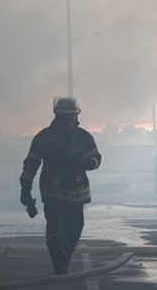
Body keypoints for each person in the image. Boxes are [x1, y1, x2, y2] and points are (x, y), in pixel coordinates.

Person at [20, 97, 102, 274]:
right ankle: (61, 258)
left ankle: (61, 257)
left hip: (63, 192)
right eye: (67, 117)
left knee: (63, 228)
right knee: (64, 228)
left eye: (70, 117)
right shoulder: (79, 136)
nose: (69, 121)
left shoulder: (46, 137)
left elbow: (96, 160)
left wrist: (86, 161)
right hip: (62, 192)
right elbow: (31, 165)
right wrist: (25, 191)